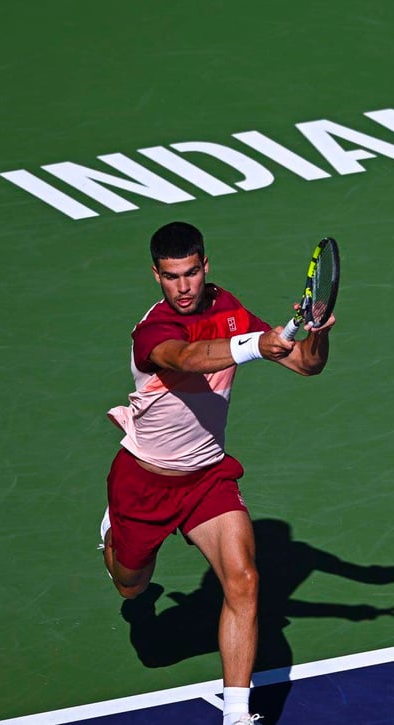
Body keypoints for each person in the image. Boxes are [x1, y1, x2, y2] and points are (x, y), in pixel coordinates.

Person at [100, 221, 335, 725]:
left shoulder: (226, 307)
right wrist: (255, 345)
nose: (182, 287)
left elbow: (305, 365)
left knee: (245, 580)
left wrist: (312, 333)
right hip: (145, 481)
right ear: (156, 276)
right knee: (130, 586)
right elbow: (186, 358)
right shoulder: (155, 331)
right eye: (170, 277)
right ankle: (112, 536)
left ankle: (236, 715)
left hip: (207, 476)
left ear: (205, 266)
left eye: (190, 273)